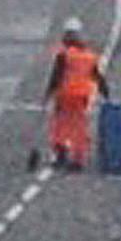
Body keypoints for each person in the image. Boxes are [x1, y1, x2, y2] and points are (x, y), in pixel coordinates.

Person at [43, 18, 105, 171]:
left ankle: (61, 153)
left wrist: (48, 93)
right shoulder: (89, 55)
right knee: (79, 126)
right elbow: (97, 76)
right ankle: (78, 159)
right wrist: (105, 92)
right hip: (82, 95)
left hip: (65, 94)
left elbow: (56, 75)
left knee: (61, 124)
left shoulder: (64, 54)